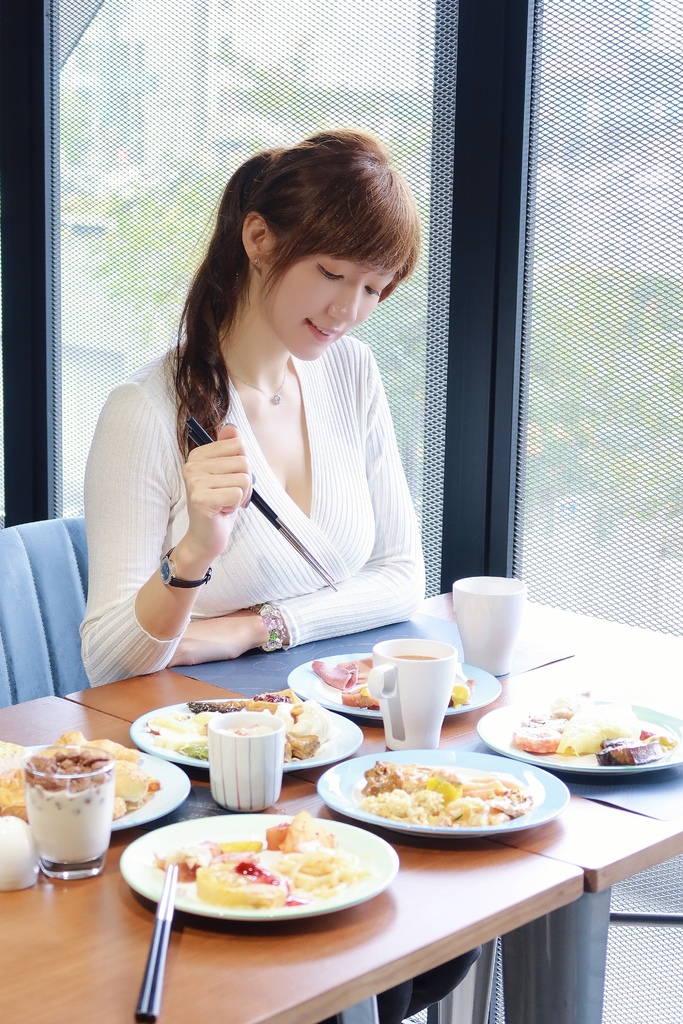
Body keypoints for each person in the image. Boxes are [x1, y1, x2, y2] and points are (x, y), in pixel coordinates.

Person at [81, 128, 480, 1021]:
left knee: (458, 905)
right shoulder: (145, 413)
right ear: (259, 240)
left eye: (375, 289)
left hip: (339, 750)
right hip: (210, 785)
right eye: (333, 274)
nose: (348, 311)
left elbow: (400, 576)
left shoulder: (351, 376)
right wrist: (194, 560)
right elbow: (110, 663)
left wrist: (256, 628)